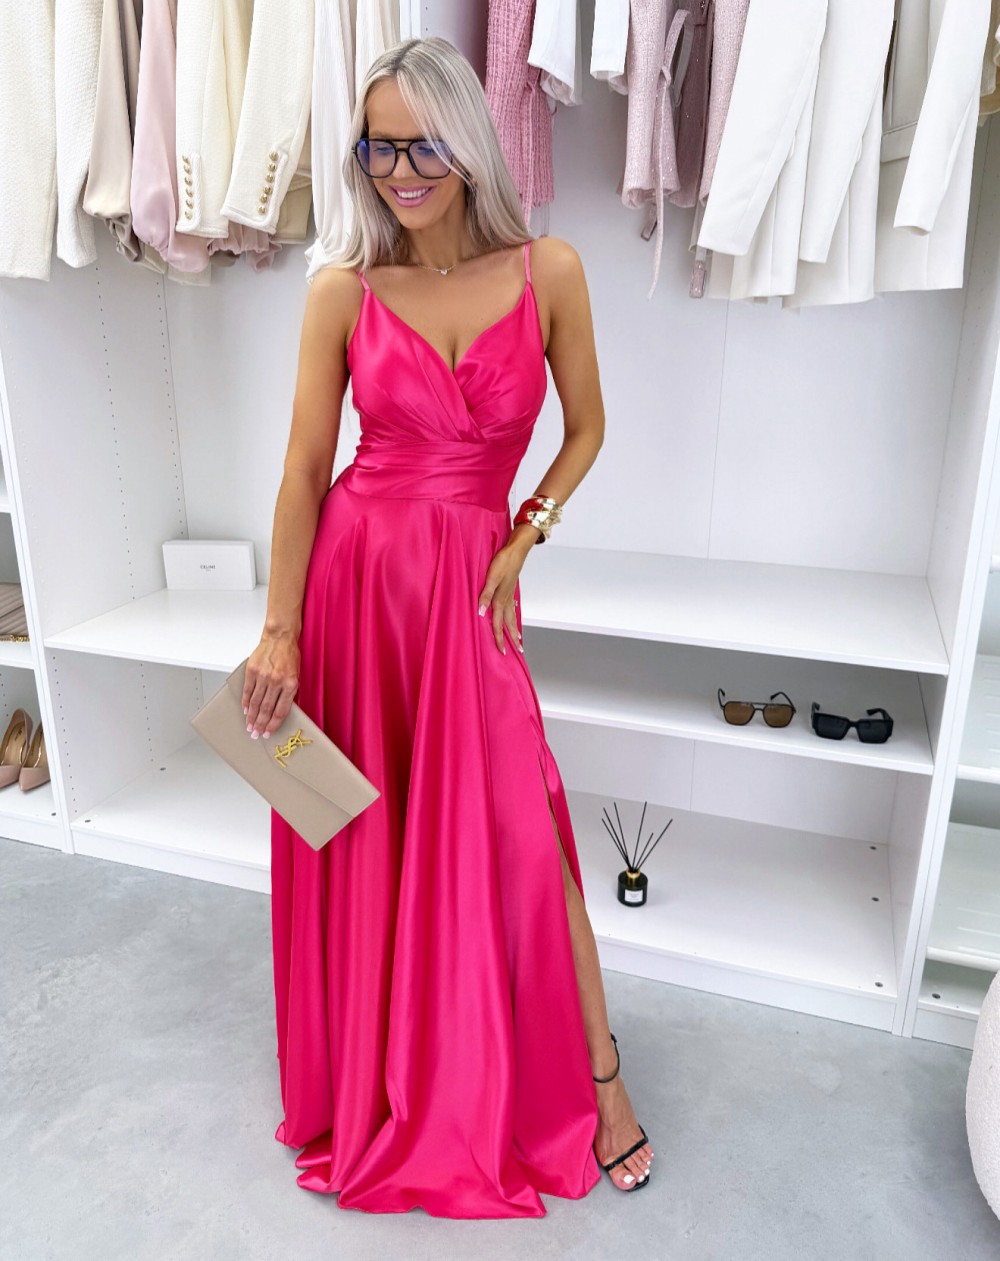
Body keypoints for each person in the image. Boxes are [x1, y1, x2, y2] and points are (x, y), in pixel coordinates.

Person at [240, 34, 654, 1217]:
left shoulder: (548, 270)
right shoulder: (344, 290)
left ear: (469, 142)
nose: (399, 171)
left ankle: (600, 1082)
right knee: (359, 830)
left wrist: (527, 529)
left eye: (422, 145)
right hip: (357, 586)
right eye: (377, 147)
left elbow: (586, 427)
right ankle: (379, 1073)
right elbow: (304, 468)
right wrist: (279, 629)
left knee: (526, 833)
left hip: (471, 590)